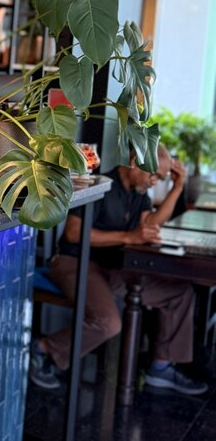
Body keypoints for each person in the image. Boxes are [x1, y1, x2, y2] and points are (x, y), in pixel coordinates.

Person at [30, 146, 208, 395]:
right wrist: (129, 236)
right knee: (109, 323)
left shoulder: (139, 193)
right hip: (74, 262)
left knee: (179, 293)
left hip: (113, 268)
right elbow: (72, 233)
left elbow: (149, 227)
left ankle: (160, 368)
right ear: (136, 162)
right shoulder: (100, 183)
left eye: (160, 179)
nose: (155, 182)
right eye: (154, 175)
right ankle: (42, 349)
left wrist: (177, 188)